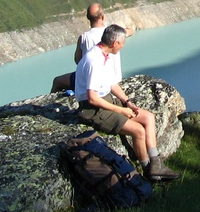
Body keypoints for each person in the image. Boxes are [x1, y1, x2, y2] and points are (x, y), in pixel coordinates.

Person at [74, 24, 179, 182]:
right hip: (93, 109)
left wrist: (127, 102)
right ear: (115, 43)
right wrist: (122, 111)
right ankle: (147, 171)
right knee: (138, 131)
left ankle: (156, 163)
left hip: (106, 99)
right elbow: (92, 98)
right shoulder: (94, 61)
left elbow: (112, 84)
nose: (123, 46)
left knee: (148, 117)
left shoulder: (105, 56)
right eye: (122, 43)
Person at [51, 3, 134, 93]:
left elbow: (78, 61)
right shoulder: (114, 34)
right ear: (103, 17)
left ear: (87, 17)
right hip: (115, 80)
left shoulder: (84, 37)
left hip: (91, 81)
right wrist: (123, 31)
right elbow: (131, 31)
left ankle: (54, 101)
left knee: (57, 81)